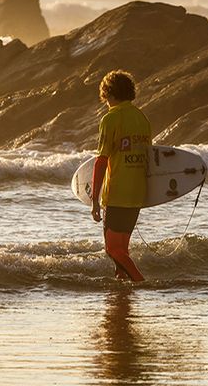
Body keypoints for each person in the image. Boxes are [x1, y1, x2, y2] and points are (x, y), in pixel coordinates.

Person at [91, 70, 151, 282]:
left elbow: (101, 161)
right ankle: (122, 290)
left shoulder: (111, 119)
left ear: (107, 93)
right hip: (137, 194)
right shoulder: (141, 118)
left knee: (113, 250)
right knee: (122, 250)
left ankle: (139, 282)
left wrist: (94, 200)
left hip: (117, 193)